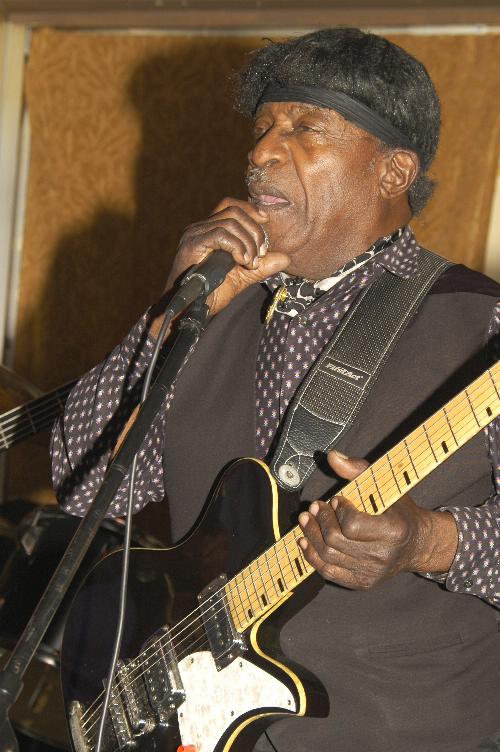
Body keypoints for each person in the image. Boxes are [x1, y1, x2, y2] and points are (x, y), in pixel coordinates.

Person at [51, 28, 500, 752]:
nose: (261, 151)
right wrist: (167, 320)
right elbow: (82, 482)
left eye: (304, 128)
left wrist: (432, 542)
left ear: (393, 172)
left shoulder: (479, 323)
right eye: (262, 128)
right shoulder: (211, 311)